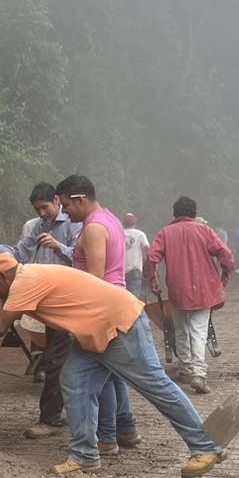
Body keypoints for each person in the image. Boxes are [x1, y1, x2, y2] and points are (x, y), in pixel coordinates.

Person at [0, 253, 226, 477]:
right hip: (95, 334)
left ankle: (205, 447)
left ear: (3, 277)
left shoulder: (25, 281)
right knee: (75, 381)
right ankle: (84, 454)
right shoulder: (24, 280)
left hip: (119, 326)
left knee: (155, 386)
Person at [0, 182, 81, 439]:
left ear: (58, 202)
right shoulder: (37, 227)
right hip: (46, 302)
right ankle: (94, 418)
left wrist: (59, 247)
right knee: (63, 360)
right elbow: (18, 254)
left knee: (59, 361)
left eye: (45, 207)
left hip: (68, 301)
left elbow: (83, 259)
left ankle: (50, 419)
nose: (41, 213)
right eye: (37, 209)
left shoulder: (74, 224)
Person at [57, 174, 139, 457]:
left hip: (101, 310)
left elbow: (95, 278)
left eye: (67, 205)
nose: (65, 212)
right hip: (115, 304)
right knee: (112, 375)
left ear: (81, 199)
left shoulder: (93, 228)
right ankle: (125, 429)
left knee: (86, 379)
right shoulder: (110, 218)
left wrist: (73, 307)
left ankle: (104, 439)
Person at [144, 196, 234, 394]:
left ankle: (185, 368)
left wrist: (153, 281)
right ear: (194, 213)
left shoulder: (165, 233)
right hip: (203, 289)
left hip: (177, 290)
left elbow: (151, 259)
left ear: (175, 214)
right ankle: (199, 374)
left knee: (181, 328)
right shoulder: (204, 230)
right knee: (198, 331)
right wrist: (225, 276)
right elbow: (225, 254)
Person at [122, 213, 150, 300]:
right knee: (134, 301)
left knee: (123, 299)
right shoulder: (140, 234)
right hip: (135, 270)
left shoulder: (119, 233)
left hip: (120, 272)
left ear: (123, 223)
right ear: (134, 223)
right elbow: (148, 250)